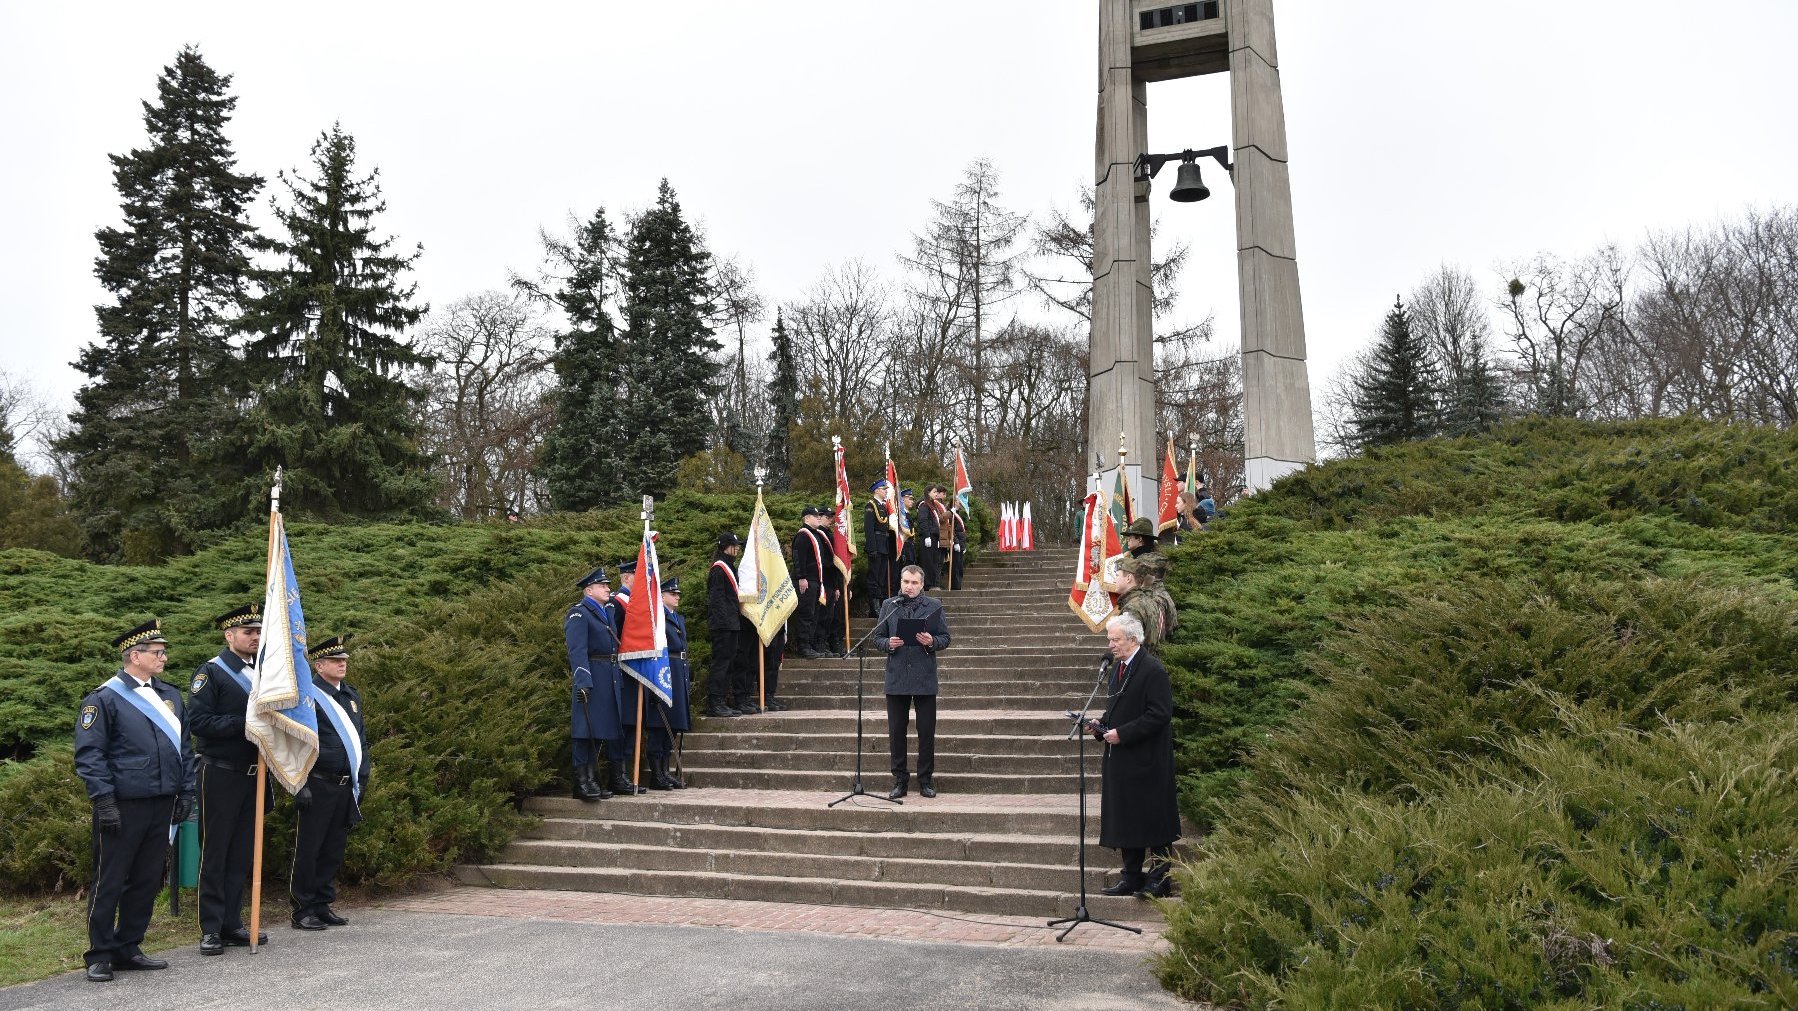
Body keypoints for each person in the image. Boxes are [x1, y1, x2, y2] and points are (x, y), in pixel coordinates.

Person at [74, 619, 195, 982]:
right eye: (157, 652)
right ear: (134, 656)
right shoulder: (104, 698)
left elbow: (185, 750)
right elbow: (90, 755)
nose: (164, 657)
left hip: (162, 802)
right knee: (109, 879)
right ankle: (99, 953)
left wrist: (186, 790)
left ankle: (129, 946)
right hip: (122, 804)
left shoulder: (171, 696)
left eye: (163, 651)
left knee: (146, 879)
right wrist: (104, 800)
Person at [188, 604, 271, 955]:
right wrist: (243, 723)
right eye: (247, 632)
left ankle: (232, 923)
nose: (254, 637)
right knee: (217, 851)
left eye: (257, 632)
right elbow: (199, 723)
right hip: (220, 773)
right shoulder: (212, 673)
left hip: (255, 775)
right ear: (229, 635)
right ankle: (210, 927)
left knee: (242, 852)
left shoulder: (266, 674)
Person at [1091, 614, 1180, 898]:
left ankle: (1159, 879)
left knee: (1153, 819)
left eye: (1115, 639)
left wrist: (1123, 734)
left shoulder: (1152, 670)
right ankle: (1131, 876)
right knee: (1127, 817)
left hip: (1148, 760)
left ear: (1133, 639)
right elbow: (1118, 709)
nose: (1111, 645)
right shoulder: (1118, 670)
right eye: (1110, 639)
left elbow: (1160, 714)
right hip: (1123, 761)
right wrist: (1099, 726)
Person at [290, 635, 369, 930]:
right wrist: (300, 784)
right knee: (310, 848)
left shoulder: (350, 695)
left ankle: (322, 903)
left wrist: (363, 777)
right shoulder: (307, 696)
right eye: (336, 661)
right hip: (318, 782)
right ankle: (302, 908)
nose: (342, 664)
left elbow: (360, 740)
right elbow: (297, 742)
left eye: (344, 660)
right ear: (319, 665)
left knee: (333, 848)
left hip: (345, 784)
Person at [873, 565, 952, 799]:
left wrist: (931, 641)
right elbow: (877, 637)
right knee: (897, 732)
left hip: (924, 677)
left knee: (926, 731)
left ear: (922, 584)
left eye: (914, 583)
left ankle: (925, 780)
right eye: (906, 582)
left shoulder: (934, 606)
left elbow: (945, 638)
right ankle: (900, 781)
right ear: (900, 582)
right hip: (897, 678)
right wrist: (888, 644)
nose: (909, 586)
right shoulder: (889, 606)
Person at [565, 566, 621, 800]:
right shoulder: (579, 613)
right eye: (602, 585)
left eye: (607, 585)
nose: (608, 588)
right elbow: (577, 651)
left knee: (597, 730)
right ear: (589, 590)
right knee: (583, 730)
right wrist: (583, 682)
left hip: (607, 675)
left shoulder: (606, 611)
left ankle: (592, 780)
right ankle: (582, 782)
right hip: (591, 676)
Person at [705, 533, 754, 717]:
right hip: (723, 625)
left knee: (729, 663)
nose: (738, 548)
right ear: (726, 547)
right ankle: (715, 701)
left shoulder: (729, 566)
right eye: (735, 545)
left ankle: (723, 700)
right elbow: (716, 600)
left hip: (732, 624)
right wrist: (725, 623)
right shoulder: (719, 569)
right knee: (721, 663)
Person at [657, 577, 693, 789]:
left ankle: (665, 770)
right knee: (660, 724)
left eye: (678, 594)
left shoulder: (677, 618)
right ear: (662, 596)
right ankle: (658, 772)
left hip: (678, 670)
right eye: (673, 594)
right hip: (666, 671)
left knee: (672, 723)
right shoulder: (660, 617)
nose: (677, 596)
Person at [1113, 556, 1178, 652]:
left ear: (1128, 578)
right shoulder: (1147, 600)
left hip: (1140, 663)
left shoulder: (1133, 607)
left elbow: (1127, 648)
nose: (1114, 580)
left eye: (1117, 575)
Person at [790, 506, 827, 659]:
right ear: (806, 518)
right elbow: (799, 558)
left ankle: (810, 644)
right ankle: (803, 645)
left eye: (819, 515)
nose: (819, 518)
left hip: (817, 580)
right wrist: (801, 577)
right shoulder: (803, 536)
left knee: (814, 613)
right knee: (806, 613)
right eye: (815, 515)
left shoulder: (816, 535)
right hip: (806, 581)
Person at [815, 505, 848, 657]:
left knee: (833, 615)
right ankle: (821, 643)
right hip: (823, 580)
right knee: (823, 615)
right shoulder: (817, 535)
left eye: (831, 517)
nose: (830, 520)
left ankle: (832, 643)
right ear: (819, 517)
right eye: (827, 517)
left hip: (832, 580)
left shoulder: (830, 534)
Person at [862, 480, 896, 615]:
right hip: (876, 544)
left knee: (881, 577)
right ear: (876, 491)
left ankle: (881, 605)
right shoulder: (871, 506)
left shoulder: (884, 506)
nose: (885, 491)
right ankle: (874, 608)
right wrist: (872, 548)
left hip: (884, 545)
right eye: (883, 489)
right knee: (874, 577)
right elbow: (868, 528)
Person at [917, 485, 951, 590]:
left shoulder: (932, 506)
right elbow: (923, 521)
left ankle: (932, 583)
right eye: (934, 492)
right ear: (928, 493)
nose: (936, 494)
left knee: (934, 561)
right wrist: (927, 535)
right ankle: (928, 585)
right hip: (928, 537)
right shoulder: (924, 505)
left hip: (934, 537)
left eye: (937, 492)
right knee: (928, 562)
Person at [897, 488, 919, 569]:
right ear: (902, 499)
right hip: (904, 547)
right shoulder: (901, 515)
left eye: (912, 499)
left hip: (910, 547)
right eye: (910, 499)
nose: (912, 501)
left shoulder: (907, 514)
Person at [948, 505, 968, 590]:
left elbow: (961, 531)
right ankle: (955, 586)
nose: (959, 504)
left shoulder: (957, 514)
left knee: (959, 566)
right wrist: (955, 542)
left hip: (961, 543)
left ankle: (958, 585)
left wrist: (963, 545)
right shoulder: (951, 514)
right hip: (956, 543)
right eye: (957, 502)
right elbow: (951, 530)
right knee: (955, 566)